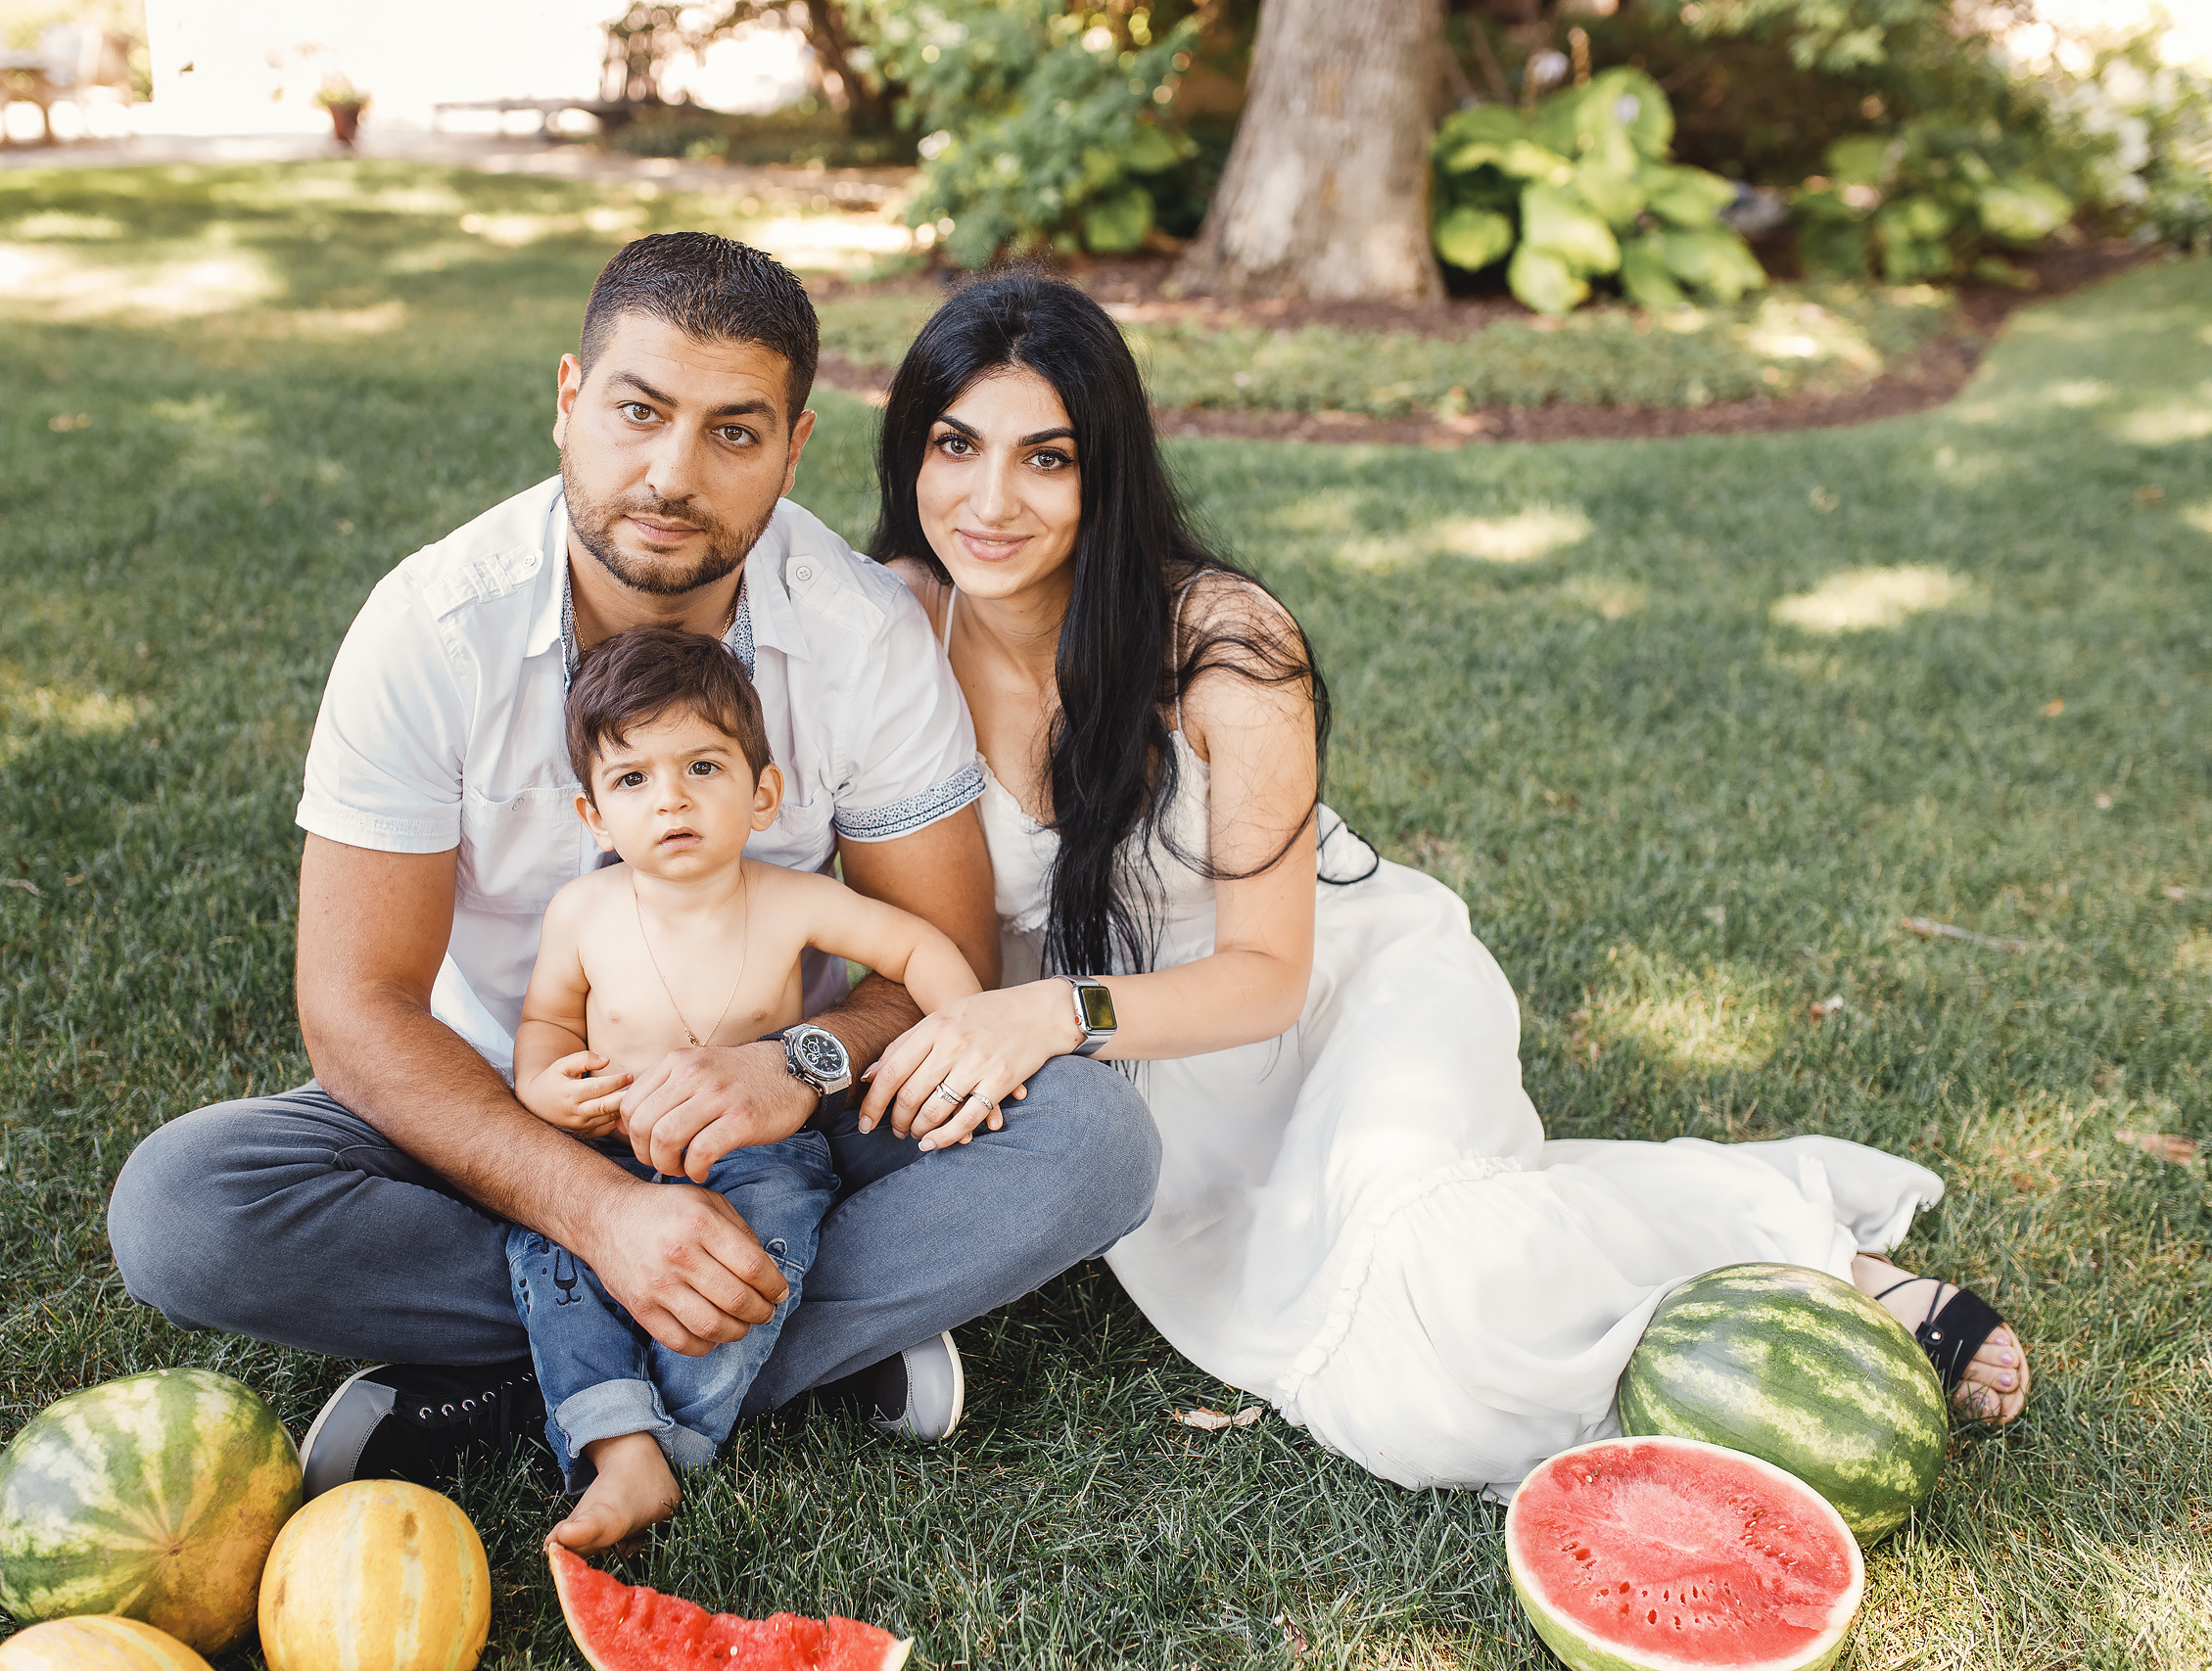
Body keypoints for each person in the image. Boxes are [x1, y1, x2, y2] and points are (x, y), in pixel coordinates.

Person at [858, 271, 2030, 1499]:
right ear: (911, 450)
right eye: (955, 445)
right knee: (1428, 1412)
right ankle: (1665, 1210)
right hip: (1158, 1094)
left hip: (1337, 998)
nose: (988, 501)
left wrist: (1050, 1012)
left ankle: (1788, 1233)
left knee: (1459, 1294)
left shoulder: (1221, 643)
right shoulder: (892, 627)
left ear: (1107, 470)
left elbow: (1268, 976)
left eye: (1044, 458)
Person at [105, 234, 1161, 1502]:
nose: (671, 473)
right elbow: (356, 1006)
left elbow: (943, 961)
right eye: (638, 411)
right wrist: (593, 1207)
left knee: (1092, 1134)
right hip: (509, 1094)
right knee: (185, 1204)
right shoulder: (431, 628)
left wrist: (795, 1064)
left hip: (775, 1113)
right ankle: (801, 1345)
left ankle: (539, 1375)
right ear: (568, 399)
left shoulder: (861, 634)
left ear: (794, 446)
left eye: (732, 431)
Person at [509, 625, 980, 1551]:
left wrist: (971, 1033)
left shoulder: (788, 898)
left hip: (758, 1150)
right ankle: (618, 1435)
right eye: (633, 778)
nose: (671, 798)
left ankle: (671, 1435)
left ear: (762, 793)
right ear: (594, 815)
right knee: (549, 1255)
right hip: (611, 1148)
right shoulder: (583, 913)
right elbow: (547, 1025)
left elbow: (919, 946)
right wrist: (542, 1087)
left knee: (760, 1251)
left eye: (703, 767)